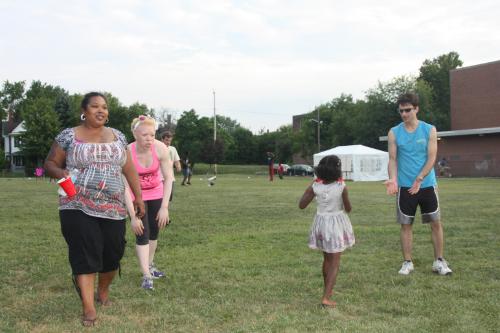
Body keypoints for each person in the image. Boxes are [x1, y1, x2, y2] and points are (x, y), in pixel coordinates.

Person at [44, 92, 145, 327]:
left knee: (113, 253)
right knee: (85, 253)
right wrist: (60, 173)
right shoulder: (69, 136)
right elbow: (50, 163)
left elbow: (129, 168)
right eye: (95, 107)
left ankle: (103, 290)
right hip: (76, 203)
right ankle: (89, 308)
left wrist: (138, 196)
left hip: (113, 205)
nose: (101, 111)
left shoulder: (118, 137)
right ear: (84, 110)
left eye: (105, 107)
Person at [385, 92, 452, 276]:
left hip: (427, 184)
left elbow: (432, 157)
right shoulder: (394, 132)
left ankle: (439, 261)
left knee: (435, 223)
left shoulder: (429, 130)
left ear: (416, 109)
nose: (404, 114)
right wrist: (393, 179)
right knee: (406, 225)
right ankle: (407, 262)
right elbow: (392, 159)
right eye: (401, 111)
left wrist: (420, 178)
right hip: (405, 187)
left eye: (408, 110)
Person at [124, 116, 174, 291]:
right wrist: (133, 216)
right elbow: (125, 187)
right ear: (135, 134)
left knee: (154, 231)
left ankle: (150, 265)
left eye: (152, 135)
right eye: (144, 135)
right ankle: (146, 275)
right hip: (136, 195)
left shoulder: (161, 149)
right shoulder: (127, 152)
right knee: (142, 233)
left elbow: (169, 178)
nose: (149, 139)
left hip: (156, 193)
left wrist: (164, 207)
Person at [299, 155, 355, 308]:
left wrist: (312, 187)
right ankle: (326, 297)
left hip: (321, 224)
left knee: (327, 260)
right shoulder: (341, 186)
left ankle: (327, 291)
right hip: (336, 225)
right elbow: (348, 208)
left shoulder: (315, 186)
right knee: (335, 262)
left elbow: (302, 205)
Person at [161, 130, 182, 200]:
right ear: (162, 139)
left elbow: (176, 160)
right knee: (160, 198)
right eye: (166, 140)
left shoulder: (173, 149)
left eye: (170, 140)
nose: (168, 142)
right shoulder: (157, 148)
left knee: (168, 198)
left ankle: (164, 209)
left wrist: (178, 166)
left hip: (170, 178)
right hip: (159, 178)